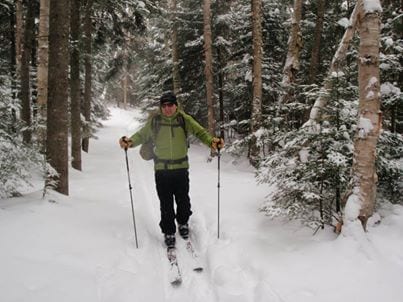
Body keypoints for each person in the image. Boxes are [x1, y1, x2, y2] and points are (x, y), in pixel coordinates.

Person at [119, 92, 224, 248]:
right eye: (164, 106)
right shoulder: (155, 121)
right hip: (162, 169)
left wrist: (212, 142)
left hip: (181, 168)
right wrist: (130, 141)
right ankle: (169, 231)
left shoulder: (183, 119)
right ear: (161, 107)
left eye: (170, 105)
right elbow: (142, 135)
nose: (167, 108)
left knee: (183, 200)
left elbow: (200, 132)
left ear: (176, 105)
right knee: (166, 203)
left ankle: (183, 223)